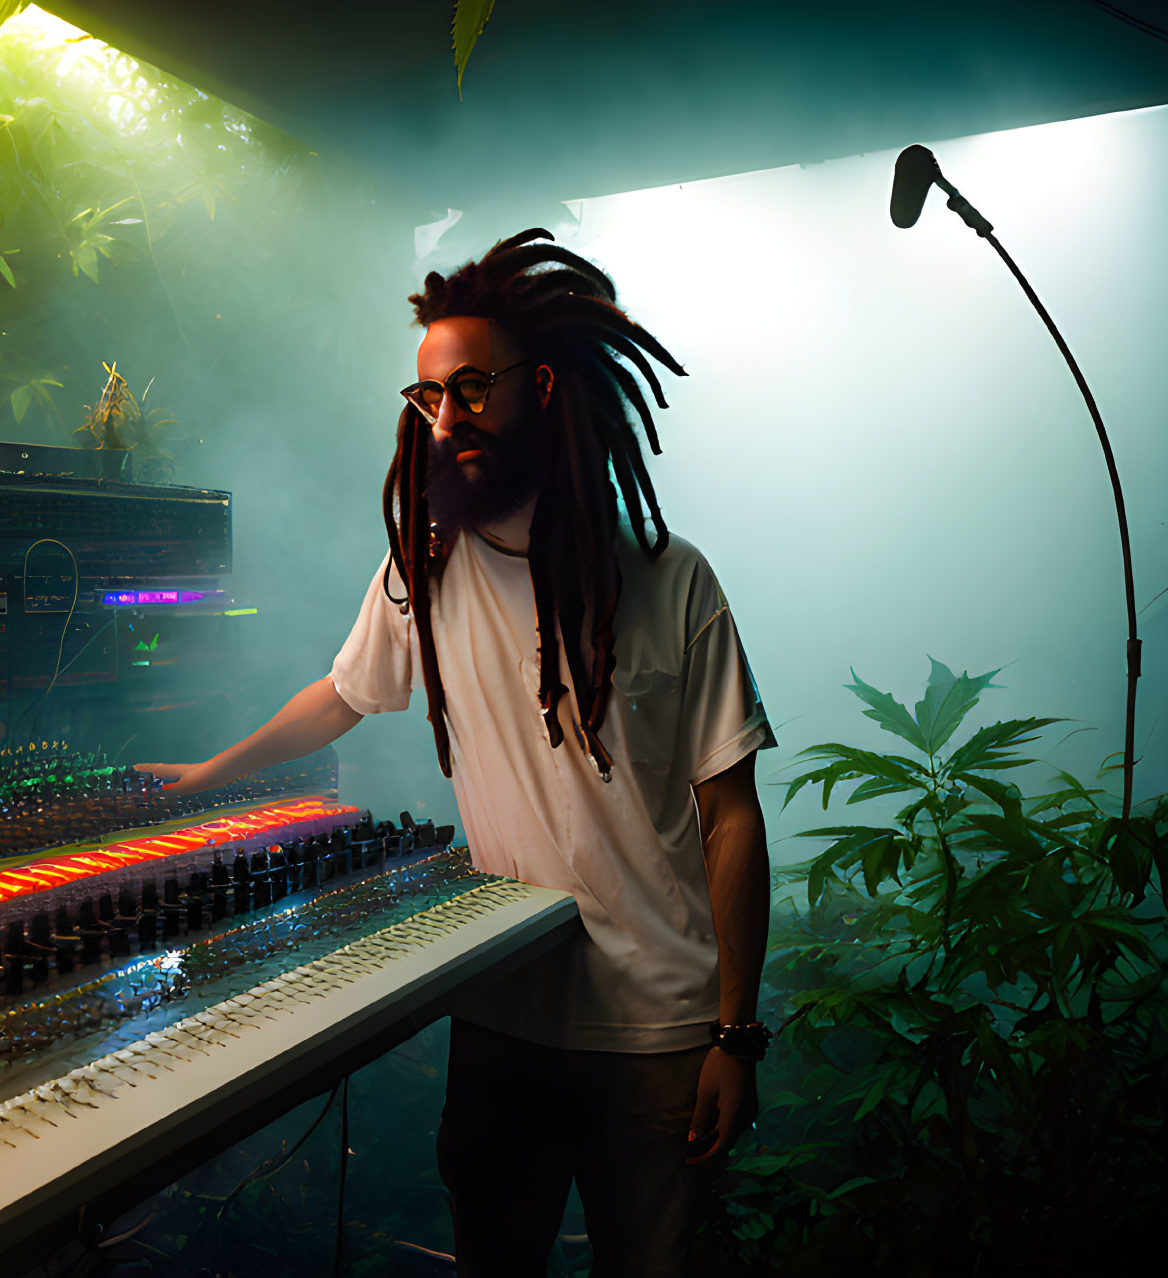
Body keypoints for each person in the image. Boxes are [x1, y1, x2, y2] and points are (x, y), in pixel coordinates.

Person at [137, 228, 777, 1277]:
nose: (447, 418)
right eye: (429, 397)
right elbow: (341, 697)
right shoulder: (424, 576)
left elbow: (732, 816)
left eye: (472, 388)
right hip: (499, 1024)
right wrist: (211, 776)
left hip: (657, 1040)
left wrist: (732, 1034)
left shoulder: (673, 581)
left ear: (546, 389)